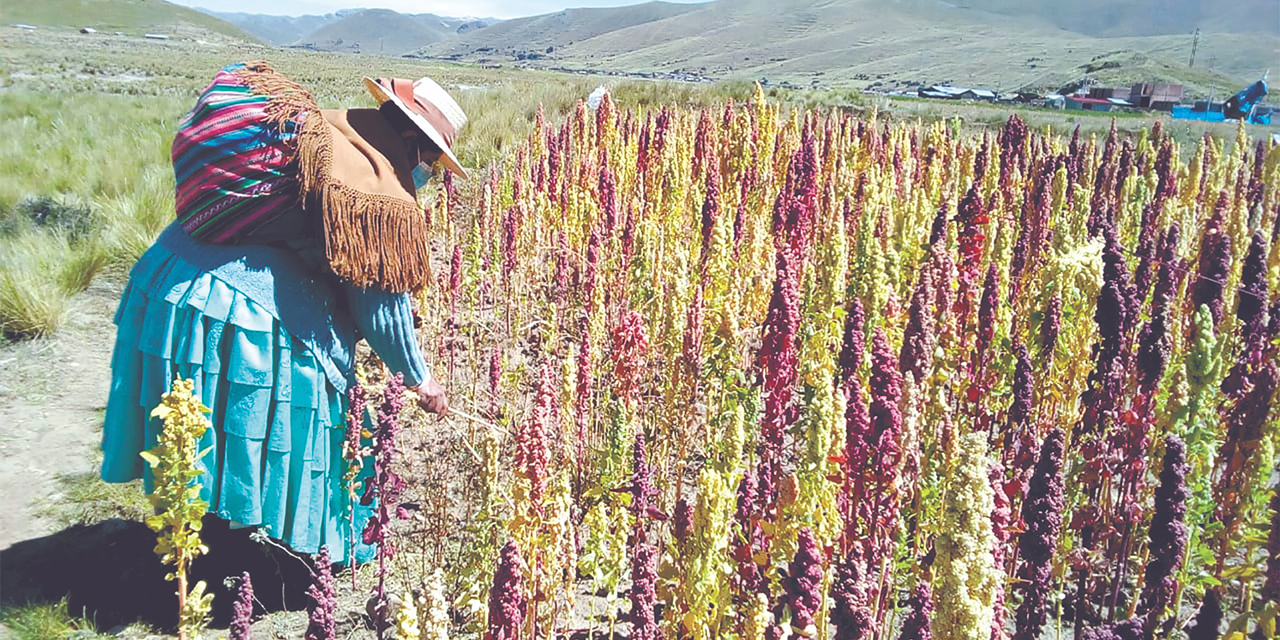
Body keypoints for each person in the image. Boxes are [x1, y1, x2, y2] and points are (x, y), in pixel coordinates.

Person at [100, 62, 466, 563]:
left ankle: (206, 534)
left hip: (168, 275)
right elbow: (379, 303)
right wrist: (420, 378)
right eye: (433, 160)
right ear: (413, 139)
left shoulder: (333, 131)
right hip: (231, 302)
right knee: (286, 405)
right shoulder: (376, 187)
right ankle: (245, 554)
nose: (430, 173)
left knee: (201, 432)